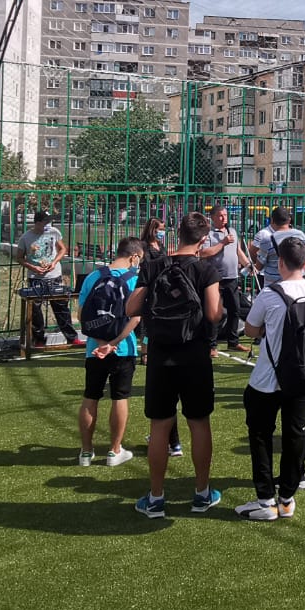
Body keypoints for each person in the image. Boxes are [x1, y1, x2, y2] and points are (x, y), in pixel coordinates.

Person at [128, 213, 224, 518]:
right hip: (194, 354)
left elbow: (131, 307)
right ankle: (202, 493)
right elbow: (213, 314)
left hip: (160, 355)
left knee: (160, 426)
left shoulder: (154, 265)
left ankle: (156, 497)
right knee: (199, 422)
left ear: (177, 234)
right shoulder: (206, 269)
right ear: (203, 240)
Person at [238, 237, 305, 521]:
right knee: (295, 435)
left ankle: (265, 499)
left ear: (281, 263)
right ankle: (287, 498)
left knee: (260, 436)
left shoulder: (270, 293)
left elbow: (250, 329)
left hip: (268, 377)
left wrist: (268, 328)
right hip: (303, 374)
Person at [75, 238, 144, 468]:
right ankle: (114, 450)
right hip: (123, 348)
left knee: (90, 396)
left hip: (94, 349)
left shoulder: (94, 277)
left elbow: (82, 314)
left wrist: (101, 341)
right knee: (119, 398)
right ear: (134, 257)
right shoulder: (135, 279)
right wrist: (114, 342)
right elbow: (136, 318)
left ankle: (86, 452)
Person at [15, 210, 84, 349]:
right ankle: (38, 339)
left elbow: (62, 249)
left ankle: (72, 337)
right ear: (38, 222)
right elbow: (19, 257)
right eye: (45, 221)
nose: (48, 224)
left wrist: (54, 262)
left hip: (54, 276)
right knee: (35, 310)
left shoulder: (54, 232)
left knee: (61, 307)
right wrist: (33, 267)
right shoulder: (26, 238)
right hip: (35, 278)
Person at [200, 204, 249, 353]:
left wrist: (247, 264)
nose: (224, 218)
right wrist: (223, 243)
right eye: (220, 216)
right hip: (215, 279)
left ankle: (233, 342)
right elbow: (204, 253)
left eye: (225, 215)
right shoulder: (209, 234)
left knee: (235, 310)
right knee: (215, 312)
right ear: (213, 217)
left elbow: (238, 251)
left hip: (232, 277)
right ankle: (211, 345)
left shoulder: (231, 231)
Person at [253, 205, 305, 287]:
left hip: (274, 286)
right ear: (289, 220)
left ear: (272, 220)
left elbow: (259, 266)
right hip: (297, 283)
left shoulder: (267, 240)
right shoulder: (300, 235)